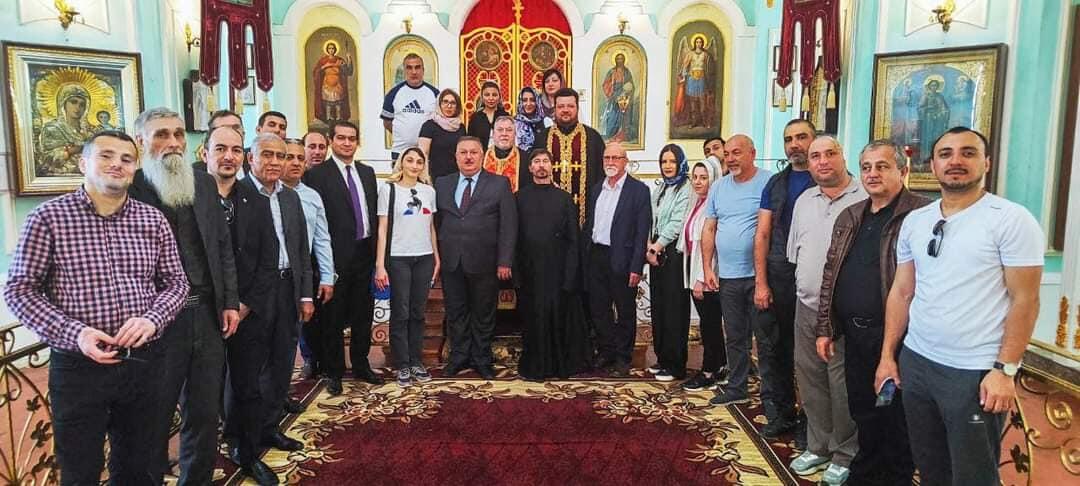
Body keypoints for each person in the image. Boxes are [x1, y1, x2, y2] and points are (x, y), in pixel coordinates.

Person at [4, 131, 189, 485]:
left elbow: (176, 283)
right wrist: (76, 333)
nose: (117, 164)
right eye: (106, 155)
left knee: (139, 466)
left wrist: (152, 319)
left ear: (134, 169)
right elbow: (19, 290)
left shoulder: (152, 220)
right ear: (83, 163)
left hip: (143, 362)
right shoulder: (48, 218)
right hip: (79, 367)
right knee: (80, 469)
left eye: (126, 159)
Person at [876, 127, 1044, 485]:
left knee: (973, 473)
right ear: (933, 164)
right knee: (931, 466)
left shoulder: (1010, 219)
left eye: (968, 153)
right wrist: (888, 355)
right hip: (917, 361)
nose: (956, 161)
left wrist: (1005, 370)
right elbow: (902, 291)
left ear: (986, 162)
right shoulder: (916, 221)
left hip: (974, 371)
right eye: (946, 154)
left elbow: (1026, 300)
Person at [127, 107, 240, 485]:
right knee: (153, 416)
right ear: (141, 142)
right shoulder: (131, 188)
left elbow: (222, 247)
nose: (173, 143)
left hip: (206, 315)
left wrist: (229, 302)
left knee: (204, 412)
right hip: (158, 321)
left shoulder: (202, 183)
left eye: (178, 134)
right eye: (161, 135)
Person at [814, 140, 929, 485]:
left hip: (898, 337)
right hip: (855, 335)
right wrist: (825, 326)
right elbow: (831, 273)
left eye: (882, 166)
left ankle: (894, 478)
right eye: (866, 167)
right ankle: (865, 474)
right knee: (863, 410)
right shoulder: (851, 215)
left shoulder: (921, 215)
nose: (873, 174)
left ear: (902, 171)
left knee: (894, 417)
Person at [201, 125, 280, 485]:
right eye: (221, 149)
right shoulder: (190, 200)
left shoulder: (255, 200)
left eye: (235, 149)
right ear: (205, 154)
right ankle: (200, 461)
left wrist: (244, 305)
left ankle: (247, 454)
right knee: (203, 392)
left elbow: (268, 260)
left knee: (248, 387)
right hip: (203, 314)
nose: (228, 156)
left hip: (247, 312)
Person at [786, 135, 866, 484]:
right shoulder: (805, 200)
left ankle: (844, 453)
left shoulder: (865, 197)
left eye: (829, 153)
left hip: (843, 311)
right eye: (815, 156)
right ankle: (818, 445)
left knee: (841, 383)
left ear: (843, 156)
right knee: (810, 378)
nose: (822, 161)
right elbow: (796, 253)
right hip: (806, 304)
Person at [242, 134, 314, 453]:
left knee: (282, 360)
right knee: (250, 367)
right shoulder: (240, 195)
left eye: (280, 156)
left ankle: (270, 427)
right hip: (254, 294)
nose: (274, 162)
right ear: (251, 158)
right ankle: (245, 435)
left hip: (288, 288)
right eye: (267, 155)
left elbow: (301, 249)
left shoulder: (290, 197)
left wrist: (305, 294)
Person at [303, 121, 384, 394]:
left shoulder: (367, 172)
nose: (347, 143)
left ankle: (361, 364)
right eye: (341, 138)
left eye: (352, 138)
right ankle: (334, 371)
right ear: (332, 141)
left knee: (363, 313)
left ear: (357, 142)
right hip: (334, 257)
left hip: (364, 254)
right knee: (333, 318)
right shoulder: (317, 175)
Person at [752, 118, 817, 440]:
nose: (794, 144)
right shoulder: (776, 184)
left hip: (816, 278)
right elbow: (763, 234)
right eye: (789, 139)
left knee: (810, 355)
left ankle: (811, 420)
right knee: (773, 349)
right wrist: (761, 282)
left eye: (801, 137)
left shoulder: (828, 180)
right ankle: (781, 413)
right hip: (778, 274)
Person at [435, 136, 518, 379]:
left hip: (486, 262)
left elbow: (509, 225)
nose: (468, 157)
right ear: (456, 157)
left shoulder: (499, 184)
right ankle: (459, 357)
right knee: (456, 312)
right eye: (463, 152)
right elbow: (435, 222)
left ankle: (482, 359)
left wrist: (505, 260)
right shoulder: (442, 183)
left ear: (483, 156)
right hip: (451, 261)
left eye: (473, 152)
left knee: (483, 314)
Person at [701, 135, 773, 405]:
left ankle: (771, 394)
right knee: (734, 336)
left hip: (758, 276)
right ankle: (737, 388)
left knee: (765, 339)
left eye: (737, 153)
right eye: (727, 153)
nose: (730, 158)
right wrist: (708, 267)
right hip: (728, 276)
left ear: (752, 153)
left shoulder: (768, 182)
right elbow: (709, 228)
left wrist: (765, 279)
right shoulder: (719, 187)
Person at [516, 148, 591, 381]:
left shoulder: (564, 199)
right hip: (529, 271)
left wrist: (570, 275)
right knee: (533, 320)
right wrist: (517, 274)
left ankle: (558, 366)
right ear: (530, 168)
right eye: (536, 161)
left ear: (552, 166)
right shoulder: (518, 198)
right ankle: (535, 367)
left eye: (545, 161)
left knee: (557, 319)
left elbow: (573, 240)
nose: (541, 165)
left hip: (558, 272)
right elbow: (514, 238)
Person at [583, 142, 651, 377]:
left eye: (616, 158)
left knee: (624, 311)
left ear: (625, 162)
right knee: (599, 309)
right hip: (597, 257)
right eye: (607, 158)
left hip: (622, 259)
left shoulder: (639, 191)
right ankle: (607, 351)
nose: (610, 162)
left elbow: (642, 232)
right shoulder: (596, 189)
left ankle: (623, 357)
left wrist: (636, 267)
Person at [373, 147, 440, 386]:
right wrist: (380, 264)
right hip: (398, 257)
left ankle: (416, 361)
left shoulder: (429, 191)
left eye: (419, 162)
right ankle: (402, 364)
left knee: (417, 313)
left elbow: (431, 226)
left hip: (424, 257)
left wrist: (436, 256)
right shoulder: (388, 190)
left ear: (423, 166)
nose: (414, 165)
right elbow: (382, 229)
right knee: (400, 312)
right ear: (402, 163)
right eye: (409, 160)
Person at [282, 138, 336, 381]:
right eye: (289, 157)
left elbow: (322, 239)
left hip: (305, 270)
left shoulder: (312, 196)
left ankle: (311, 363)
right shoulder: (261, 194)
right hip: (272, 273)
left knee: (306, 323)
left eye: (299, 159)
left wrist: (327, 276)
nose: (295, 163)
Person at [677, 158, 728, 391]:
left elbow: (713, 246)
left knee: (709, 325)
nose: (697, 182)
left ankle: (708, 371)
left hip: (707, 275)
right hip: (695, 270)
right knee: (710, 323)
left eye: (703, 178)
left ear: (714, 180)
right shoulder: (697, 203)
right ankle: (720, 366)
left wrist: (701, 278)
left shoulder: (714, 207)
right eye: (694, 177)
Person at [645, 144, 691, 381]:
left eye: (672, 161)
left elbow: (677, 222)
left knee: (674, 310)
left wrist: (656, 246)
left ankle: (676, 365)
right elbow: (650, 218)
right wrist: (649, 245)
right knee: (659, 308)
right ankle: (662, 358)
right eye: (664, 162)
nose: (668, 166)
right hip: (657, 253)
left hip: (674, 254)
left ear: (680, 163)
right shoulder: (661, 188)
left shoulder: (687, 188)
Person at [534, 87, 604, 225]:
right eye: (561, 106)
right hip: (548, 215)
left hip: (587, 215)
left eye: (570, 106)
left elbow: (601, 176)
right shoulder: (542, 138)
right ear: (555, 109)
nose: (565, 110)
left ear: (577, 108)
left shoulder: (593, 137)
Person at [381, 53, 439, 161]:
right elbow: (387, 122)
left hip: (427, 152)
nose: (414, 72)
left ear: (423, 70)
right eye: (409, 68)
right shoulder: (393, 94)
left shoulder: (435, 94)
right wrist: (403, 135)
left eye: (417, 67)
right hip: (400, 152)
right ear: (404, 71)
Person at [38, 84, 94, 175]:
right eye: (73, 102)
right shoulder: (52, 129)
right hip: (59, 177)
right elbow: (46, 159)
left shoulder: (90, 132)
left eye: (82, 104)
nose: (78, 107)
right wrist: (72, 150)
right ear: (63, 104)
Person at [418, 89, 466, 179]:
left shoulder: (461, 127)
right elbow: (423, 153)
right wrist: (425, 176)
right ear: (439, 104)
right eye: (445, 102)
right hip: (435, 176)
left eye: (453, 103)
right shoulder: (429, 125)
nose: (449, 106)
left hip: (457, 175)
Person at [600, 53, 638, 144]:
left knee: (623, 116)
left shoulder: (627, 72)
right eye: (618, 59)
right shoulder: (611, 71)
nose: (619, 61)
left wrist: (626, 91)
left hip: (624, 97)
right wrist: (612, 95)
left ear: (624, 60)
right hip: (613, 96)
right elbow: (605, 84)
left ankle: (622, 135)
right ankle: (611, 134)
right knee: (612, 116)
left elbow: (631, 85)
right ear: (615, 60)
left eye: (621, 59)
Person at [312, 40, 353, 123]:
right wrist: (325, 66)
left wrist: (349, 60)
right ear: (327, 49)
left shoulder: (340, 60)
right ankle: (328, 118)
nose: (331, 50)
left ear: (335, 49)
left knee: (338, 102)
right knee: (328, 103)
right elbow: (316, 71)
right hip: (326, 84)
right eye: (330, 48)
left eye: (333, 48)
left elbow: (348, 71)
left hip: (337, 84)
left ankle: (338, 118)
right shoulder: (323, 61)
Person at [483, 116, 526, 192]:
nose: (504, 134)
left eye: (509, 130)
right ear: (493, 134)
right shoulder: (481, 157)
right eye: (500, 130)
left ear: (515, 134)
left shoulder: (525, 158)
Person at [468, 81, 510, 151]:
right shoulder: (475, 118)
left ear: (499, 97)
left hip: (502, 155)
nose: (491, 98)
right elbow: (470, 141)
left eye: (494, 95)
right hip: (480, 155)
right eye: (487, 95)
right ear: (482, 97)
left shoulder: (505, 116)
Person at [514, 87, 545, 153]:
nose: (528, 104)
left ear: (537, 101)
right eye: (524, 100)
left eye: (532, 100)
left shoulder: (546, 122)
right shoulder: (513, 123)